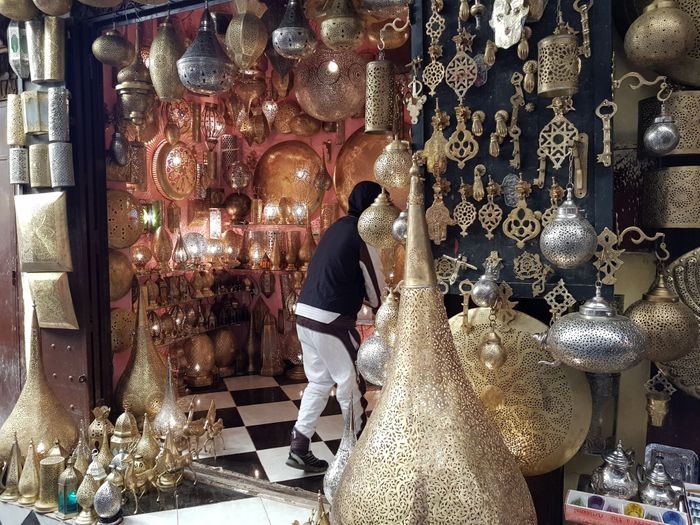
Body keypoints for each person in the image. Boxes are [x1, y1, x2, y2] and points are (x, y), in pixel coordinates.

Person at [286, 181, 385, 473]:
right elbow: (377, 291)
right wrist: (383, 306)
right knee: (350, 383)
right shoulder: (363, 234)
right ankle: (358, 452)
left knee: (319, 383)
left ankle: (299, 447)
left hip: (305, 313)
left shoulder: (336, 228)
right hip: (330, 319)